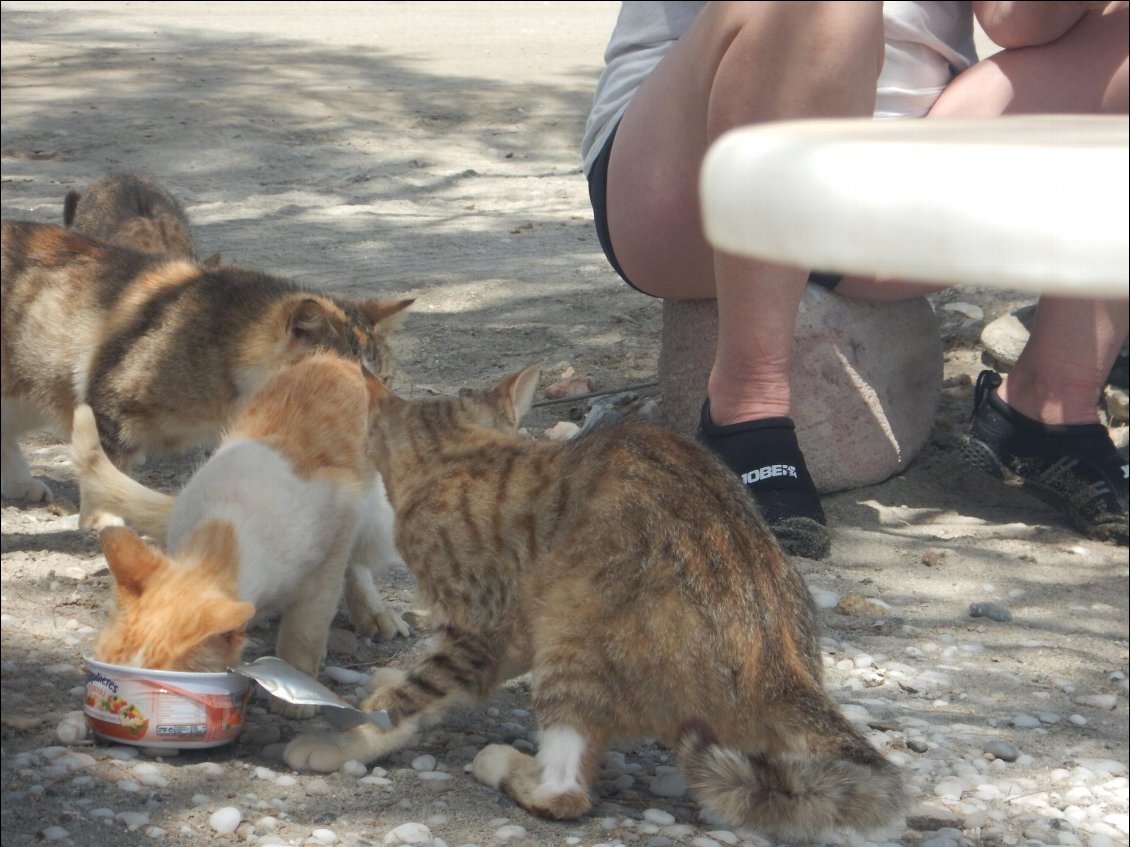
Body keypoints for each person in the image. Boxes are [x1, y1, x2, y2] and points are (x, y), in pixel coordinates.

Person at [582, 1, 1129, 558]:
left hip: (889, 184)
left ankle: (1053, 402)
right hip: (696, 177)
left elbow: (1017, 21)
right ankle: (746, 405)